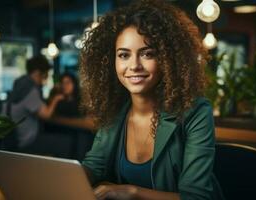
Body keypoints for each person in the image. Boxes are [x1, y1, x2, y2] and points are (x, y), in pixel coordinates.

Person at [80, 0, 224, 199]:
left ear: (168, 59)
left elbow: (196, 197)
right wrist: (60, 178)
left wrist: (131, 191)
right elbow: (95, 166)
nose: (134, 66)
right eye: (123, 55)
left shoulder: (195, 111)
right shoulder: (115, 109)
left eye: (147, 54)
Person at [3, 55, 63, 151]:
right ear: (38, 73)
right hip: (25, 141)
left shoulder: (20, 84)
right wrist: (56, 99)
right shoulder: (30, 90)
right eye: (46, 73)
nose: (46, 77)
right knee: (64, 142)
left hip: (10, 139)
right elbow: (46, 115)